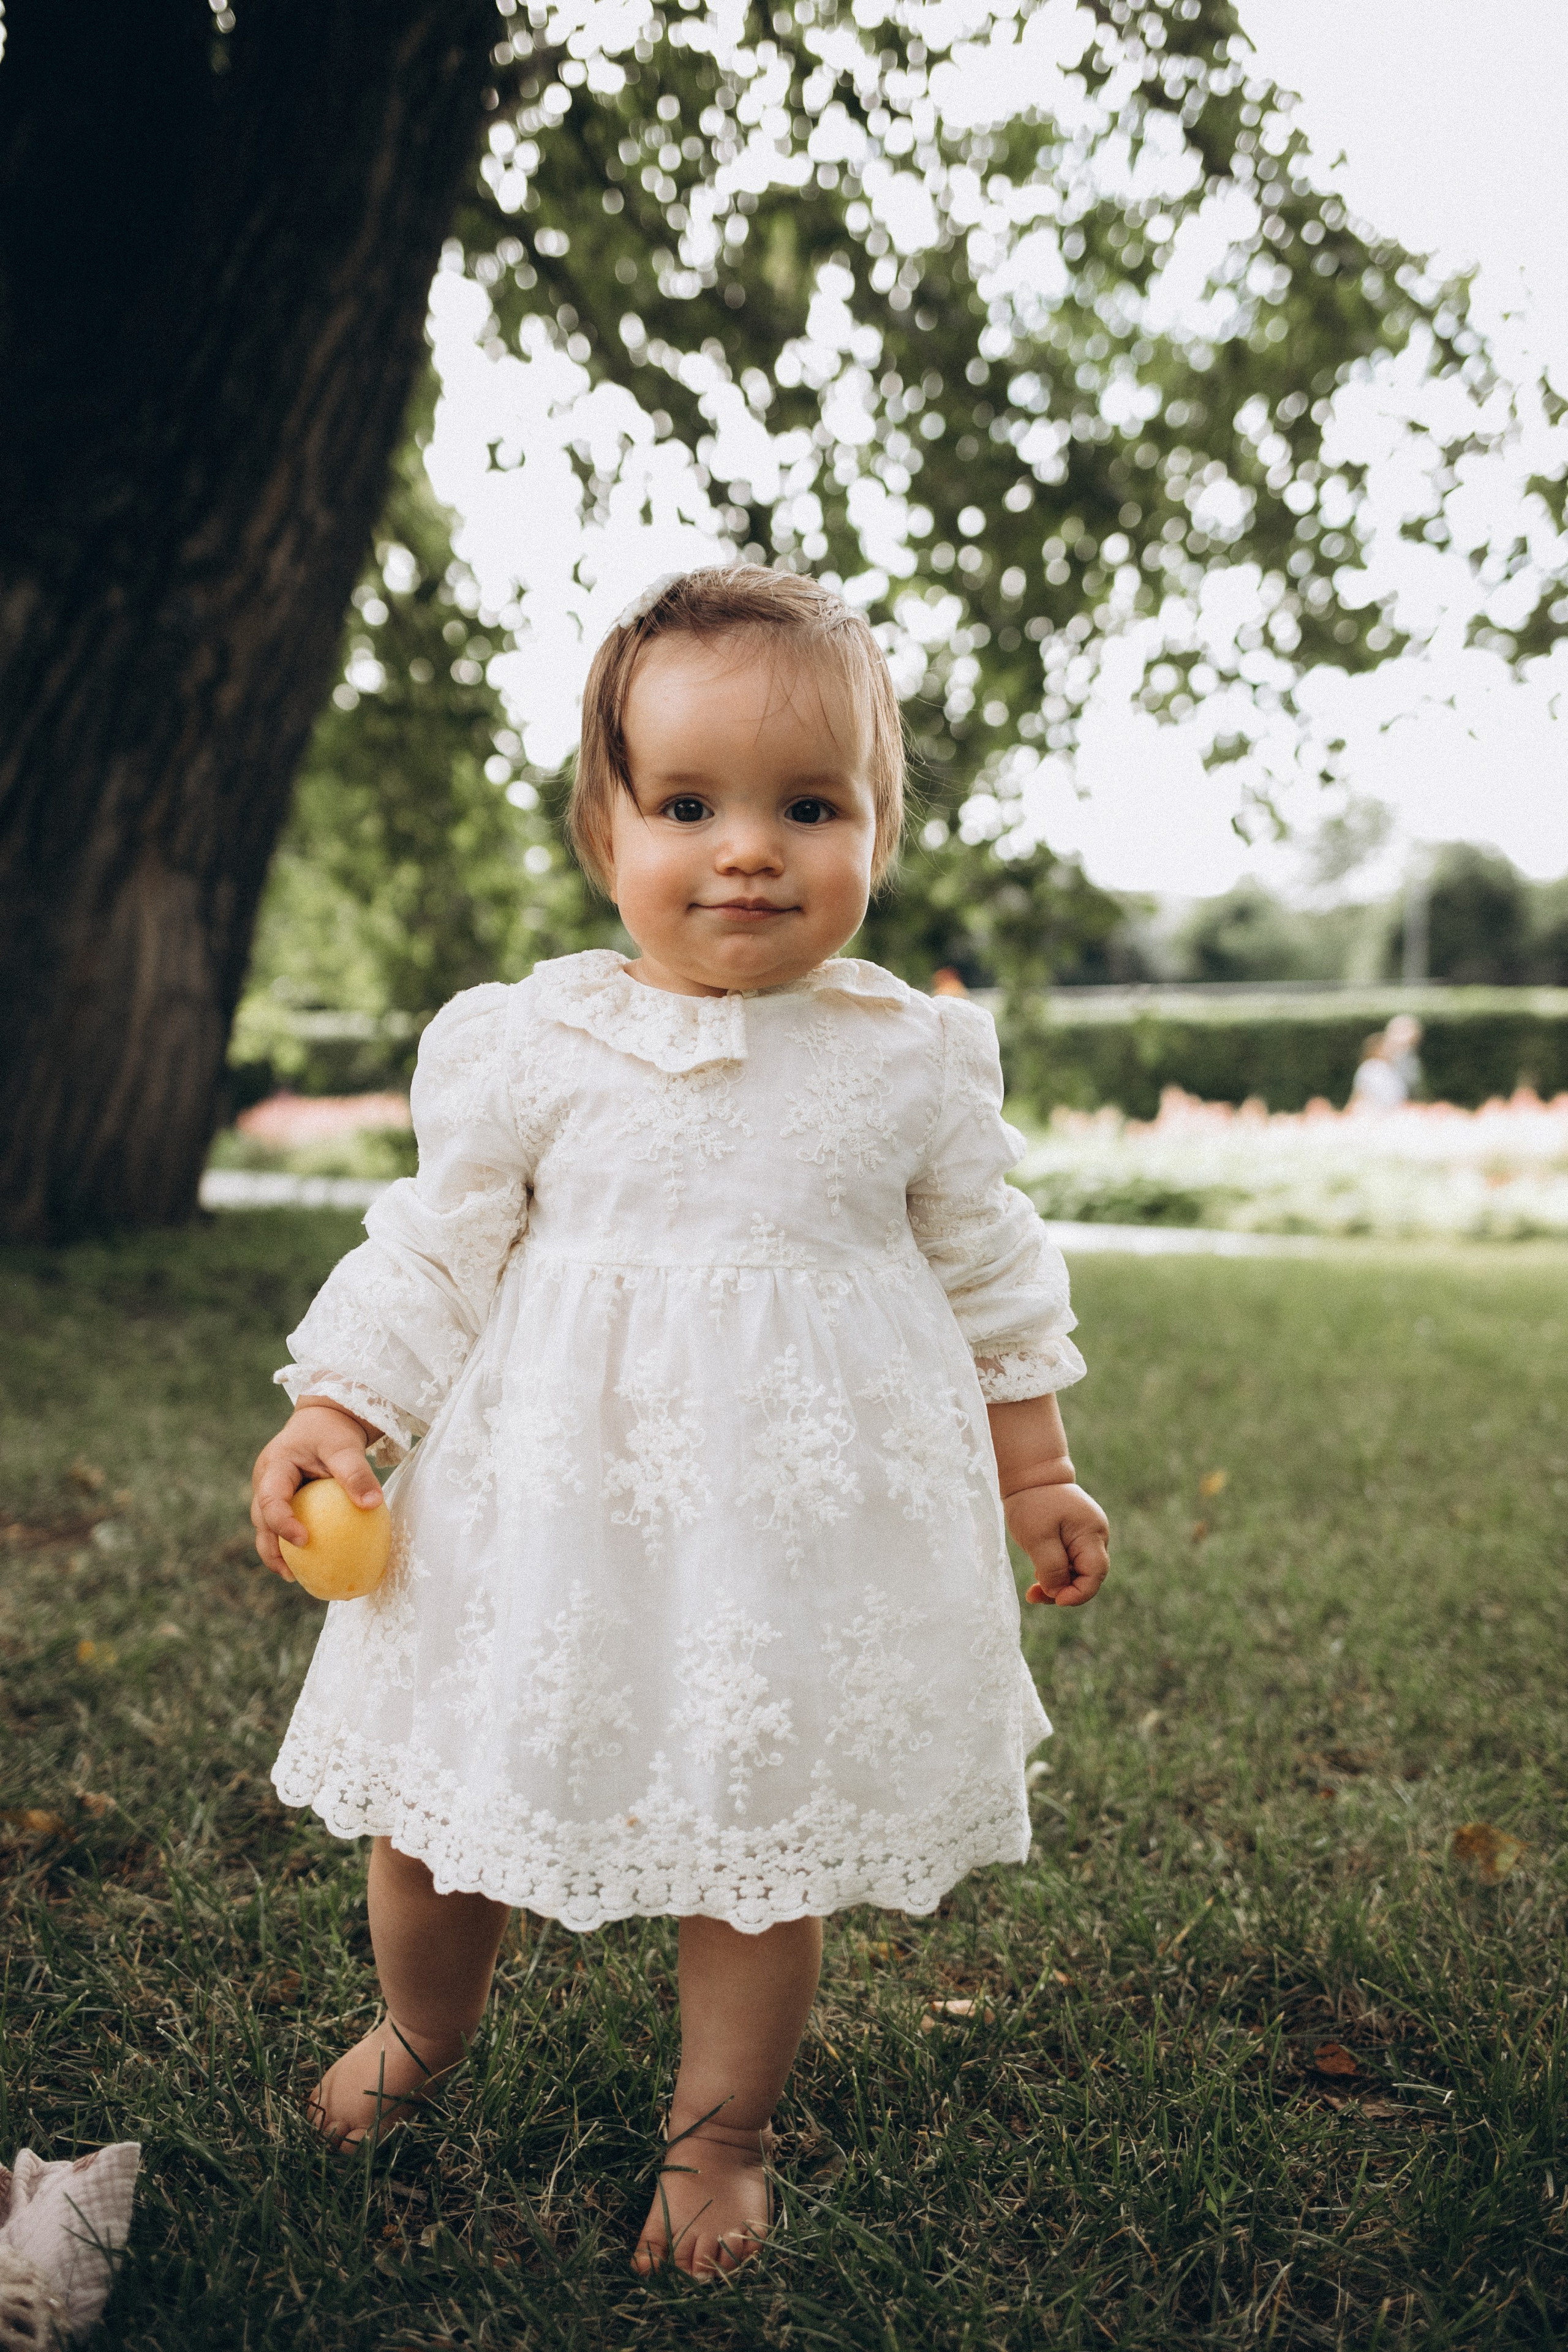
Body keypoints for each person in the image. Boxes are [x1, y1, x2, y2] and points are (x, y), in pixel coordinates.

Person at [249, 567, 1110, 2278]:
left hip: (789, 1539)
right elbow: (437, 1246)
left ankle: (723, 2135)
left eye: (811, 806)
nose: (750, 850)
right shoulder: (531, 1043)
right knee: (436, 1803)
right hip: (542, 1514)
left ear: (876, 828)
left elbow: (992, 1265)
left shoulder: (911, 1060)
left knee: (753, 1840)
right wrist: (342, 1407)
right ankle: (422, 2033)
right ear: (604, 825)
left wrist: (1039, 1466)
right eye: (692, 804)